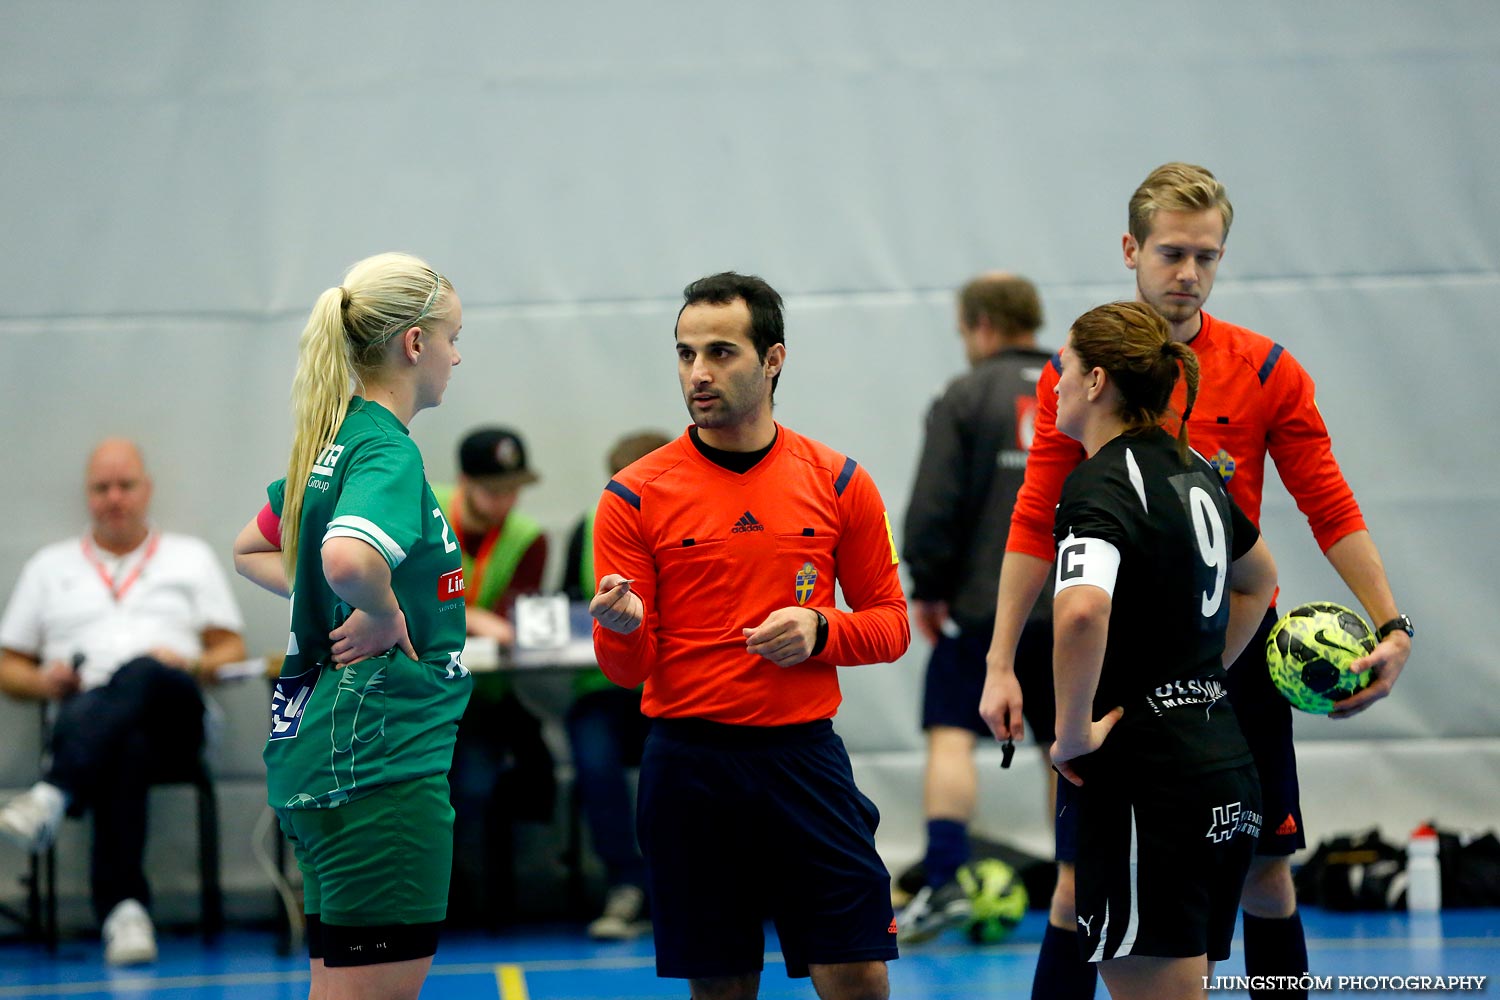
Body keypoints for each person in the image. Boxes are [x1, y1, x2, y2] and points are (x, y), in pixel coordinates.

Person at [980, 163, 1415, 1000]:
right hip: (1127, 670)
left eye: (1207, 257)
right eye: (1172, 253)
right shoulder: (1082, 373)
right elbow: (1036, 519)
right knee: (1080, 888)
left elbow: (1325, 500)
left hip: (1228, 661)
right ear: (1130, 250)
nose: (1188, 274)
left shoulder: (1263, 368)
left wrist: (1391, 624)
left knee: (1264, 874)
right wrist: (1001, 661)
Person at [589, 272, 910, 1000]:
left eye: (722, 352)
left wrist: (821, 629)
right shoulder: (634, 494)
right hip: (689, 767)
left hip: (803, 759)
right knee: (723, 985)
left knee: (857, 970)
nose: (698, 373)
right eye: (685, 353)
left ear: (773, 359)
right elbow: (622, 670)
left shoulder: (838, 482)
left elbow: (891, 624)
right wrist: (623, 630)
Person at [231, 252, 471, 1000]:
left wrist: (345, 598)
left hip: (334, 759)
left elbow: (252, 548)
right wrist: (380, 609)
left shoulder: (329, 443)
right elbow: (344, 556)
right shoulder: (383, 450)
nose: (457, 356)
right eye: (453, 336)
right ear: (413, 344)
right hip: (381, 768)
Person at [1047, 300, 1277, 1000]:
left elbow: (1082, 609)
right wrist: (1201, 675)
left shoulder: (1097, 483)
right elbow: (1258, 579)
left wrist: (1071, 732)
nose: (1054, 381)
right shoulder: (1193, 465)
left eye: (1065, 366)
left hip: (1149, 780)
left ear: (1095, 382)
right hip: (1223, 762)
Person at [0, 438, 247, 966]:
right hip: (91, 719)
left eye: (125, 485)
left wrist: (191, 665)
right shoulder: (50, 567)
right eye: (101, 488)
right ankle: (126, 915)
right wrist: (47, 682)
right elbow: (8, 665)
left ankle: (53, 792)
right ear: (88, 496)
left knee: (141, 670)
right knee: (124, 742)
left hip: (177, 716)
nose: (114, 497)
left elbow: (230, 649)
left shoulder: (190, 558)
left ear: (146, 489)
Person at [897, 272, 1054, 943]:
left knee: (953, 734)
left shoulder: (965, 395)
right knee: (1065, 743)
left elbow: (934, 506)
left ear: (982, 326)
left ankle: (944, 879)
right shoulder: (1079, 386)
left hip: (985, 608)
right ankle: (1082, 880)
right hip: (1074, 604)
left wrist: (925, 588)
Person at [432, 426, 556, 928]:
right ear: (464, 482)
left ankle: (463, 895)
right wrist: (472, 617)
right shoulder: (423, 512)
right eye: (492, 489)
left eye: (513, 489)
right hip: (411, 695)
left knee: (476, 786)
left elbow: (509, 624)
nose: (505, 501)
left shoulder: (529, 540)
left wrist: (463, 616)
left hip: (480, 698)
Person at [560, 430, 670, 939]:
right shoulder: (590, 527)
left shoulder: (696, 525)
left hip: (672, 687)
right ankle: (625, 883)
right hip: (603, 686)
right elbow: (560, 612)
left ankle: (678, 882)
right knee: (594, 758)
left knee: (685, 763)